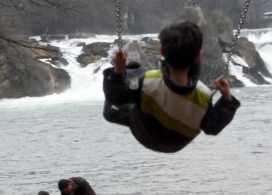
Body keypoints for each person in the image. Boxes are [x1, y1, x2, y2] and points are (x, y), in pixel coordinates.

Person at [102, 21, 240, 153]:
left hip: (144, 131)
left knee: (132, 72)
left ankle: (126, 71)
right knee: (135, 78)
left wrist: (118, 72)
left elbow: (117, 96)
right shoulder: (204, 96)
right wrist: (227, 98)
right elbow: (213, 127)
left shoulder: (148, 81)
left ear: (161, 52)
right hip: (175, 143)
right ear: (198, 57)